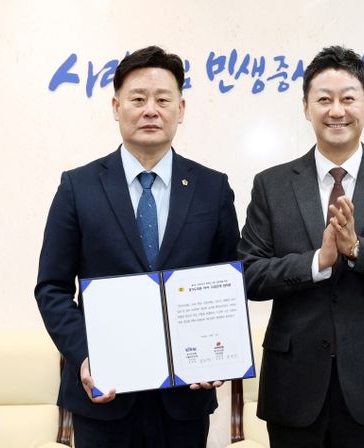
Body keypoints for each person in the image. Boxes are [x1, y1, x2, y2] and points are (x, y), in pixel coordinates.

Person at [34, 45, 240, 448]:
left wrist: (217, 352)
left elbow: (226, 280)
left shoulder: (212, 188)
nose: (151, 110)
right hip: (103, 397)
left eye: (163, 100)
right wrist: (87, 355)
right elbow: (52, 288)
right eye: (138, 99)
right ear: (116, 107)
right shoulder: (77, 186)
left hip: (185, 398)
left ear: (181, 109)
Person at [238, 45, 364, 447]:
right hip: (293, 382)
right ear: (306, 107)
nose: (337, 111)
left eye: (348, 98)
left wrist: (358, 249)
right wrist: (317, 261)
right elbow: (249, 275)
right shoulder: (272, 185)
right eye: (324, 99)